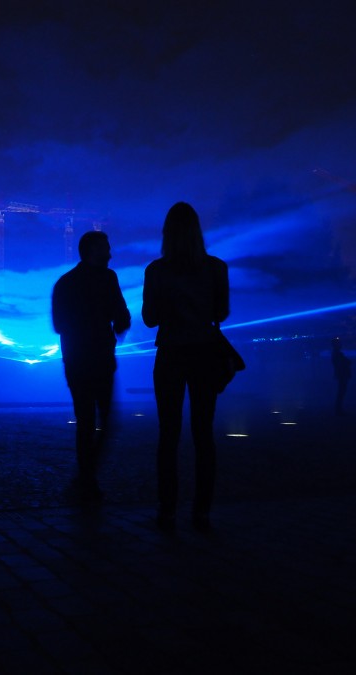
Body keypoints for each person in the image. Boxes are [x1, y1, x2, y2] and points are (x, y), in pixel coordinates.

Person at [142, 202, 229, 532]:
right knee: (204, 433)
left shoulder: (156, 270)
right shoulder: (216, 267)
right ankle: (202, 510)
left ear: (167, 233)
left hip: (171, 353)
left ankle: (167, 508)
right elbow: (221, 313)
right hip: (205, 353)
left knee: (169, 433)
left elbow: (150, 319)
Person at [52, 231, 131, 500]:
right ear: (93, 251)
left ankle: (86, 476)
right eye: (106, 248)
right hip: (101, 358)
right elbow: (121, 316)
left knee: (85, 421)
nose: (110, 254)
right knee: (105, 420)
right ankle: (87, 476)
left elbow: (58, 325)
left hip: (77, 360)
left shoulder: (66, 282)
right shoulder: (108, 279)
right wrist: (113, 325)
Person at [331, 336, 351, 416]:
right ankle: (338, 409)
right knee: (341, 391)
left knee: (341, 391)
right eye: (339, 343)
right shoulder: (337, 354)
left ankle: (338, 409)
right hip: (342, 374)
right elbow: (343, 363)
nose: (340, 344)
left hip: (341, 374)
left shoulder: (336, 353)